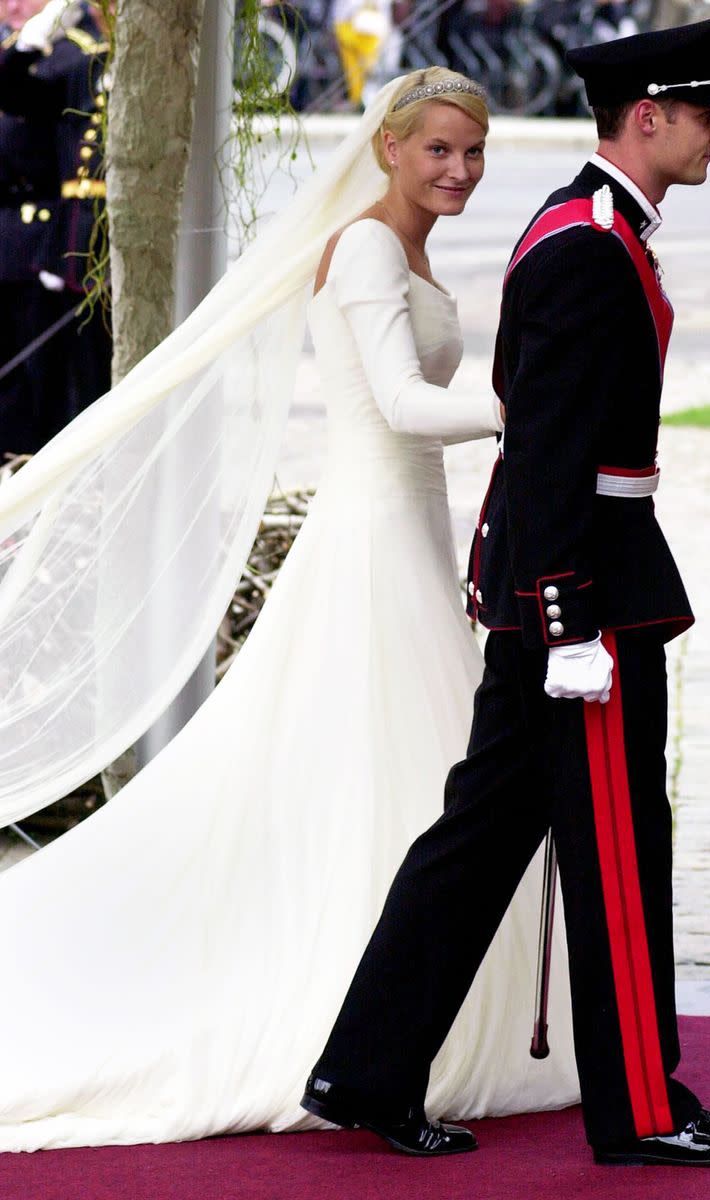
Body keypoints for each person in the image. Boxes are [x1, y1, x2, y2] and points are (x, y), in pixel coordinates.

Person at [0, 67, 580, 1152]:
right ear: (388, 148)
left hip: (412, 538)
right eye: (438, 151)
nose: (458, 171)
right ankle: (365, 1041)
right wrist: (531, 404)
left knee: (428, 780)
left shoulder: (404, 248)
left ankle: (405, 1030)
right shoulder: (364, 247)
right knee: (398, 783)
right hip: (368, 542)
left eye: (474, 151)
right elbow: (403, 406)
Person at [302, 19, 710, 1167]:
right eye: (704, 112)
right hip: (586, 595)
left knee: (480, 834)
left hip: (569, 583)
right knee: (616, 844)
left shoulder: (602, 228)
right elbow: (550, 447)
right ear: (646, 117)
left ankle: (364, 1068)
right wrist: (569, 622)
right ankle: (644, 1113)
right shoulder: (583, 244)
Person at [0, 0, 111, 458]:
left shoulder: (79, 56)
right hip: (70, 237)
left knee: (83, 371)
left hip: (89, 235)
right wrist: (26, 48)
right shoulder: (70, 61)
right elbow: (13, 92)